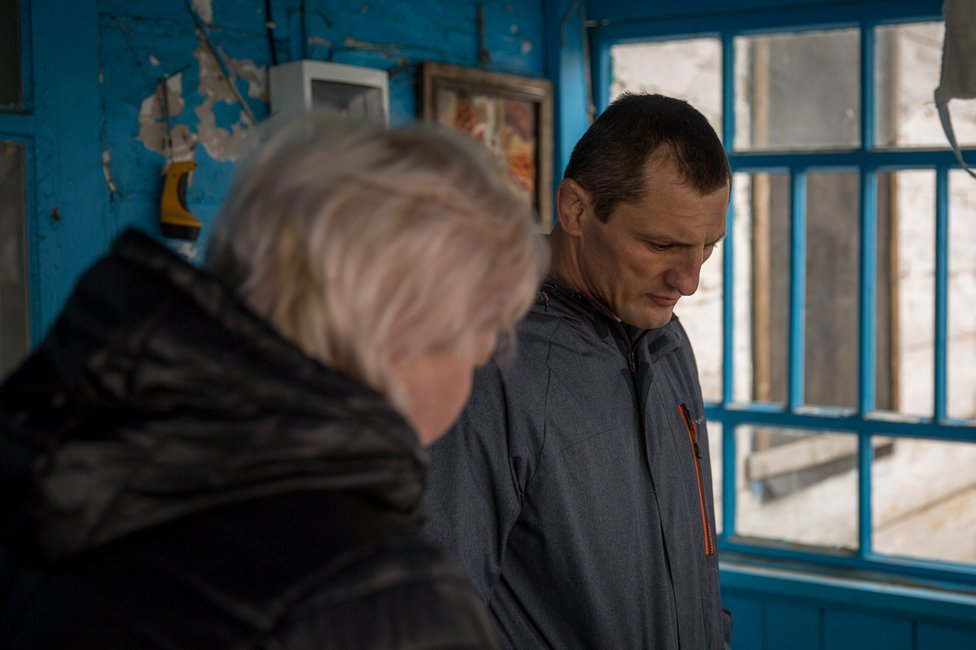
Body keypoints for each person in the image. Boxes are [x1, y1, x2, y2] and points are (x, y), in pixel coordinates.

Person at [0, 112, 547, 648]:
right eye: (483, 335)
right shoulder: (378, 596)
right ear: (401, 330)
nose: (479, 367)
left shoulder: (67, 454)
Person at [425, 93, 733, 649]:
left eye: (708, 248)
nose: (689, 281)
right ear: (575, 210)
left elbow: (694, 562)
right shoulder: (480, 367)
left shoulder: (667, 339)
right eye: (662, 244)